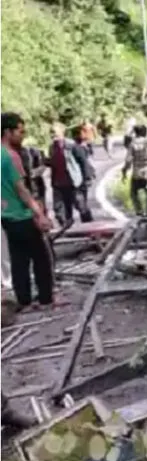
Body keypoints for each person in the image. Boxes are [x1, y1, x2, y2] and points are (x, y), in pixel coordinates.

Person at [2, 112, 55, 313]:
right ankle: (45, 299)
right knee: (41, 258)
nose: (22, 136)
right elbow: (22, 189)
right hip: (22, 215)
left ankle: (23, 300)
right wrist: (39, 214)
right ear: (8, 132)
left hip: (6, 215)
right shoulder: (11, 156)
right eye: (20, 132)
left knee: (18, 259)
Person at [47, 122, 93, 226]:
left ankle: (90, 228)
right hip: (58, 184)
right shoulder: (52, 147)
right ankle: (67, 229)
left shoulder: (72, 146)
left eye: (54, 132)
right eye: (51, 132)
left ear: (62, 132)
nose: (52, 134)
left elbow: (83, 162)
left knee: (81, 207)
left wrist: (86, 179)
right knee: (60, 211)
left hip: (73, 183)